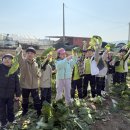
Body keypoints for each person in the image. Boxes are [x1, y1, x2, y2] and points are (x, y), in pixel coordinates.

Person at [16, 46, 41, 117]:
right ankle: (24, 111)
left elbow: (37, 73)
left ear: (34, 55)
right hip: (25, 85)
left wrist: (39, 74)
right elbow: (19, 58)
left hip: (34, 85)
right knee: (25, 99)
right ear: (26, 54)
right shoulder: (23, 62)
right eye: (28, 53)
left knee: (36, 99)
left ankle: (38, 111)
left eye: (32, 53)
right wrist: (20, 51)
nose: (30, 54)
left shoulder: (35, 64)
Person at [0, 54, 21, 129]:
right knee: (1, 109)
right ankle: (3, 123)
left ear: (12, 61)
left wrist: (18, 94)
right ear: (2, 60)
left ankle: (11, 119)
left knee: (10, 108)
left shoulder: (14, 70)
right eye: (5, 58)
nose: (7, 60)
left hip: (10, 94)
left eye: (9, 59)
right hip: (1, 94)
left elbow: (17, 83)